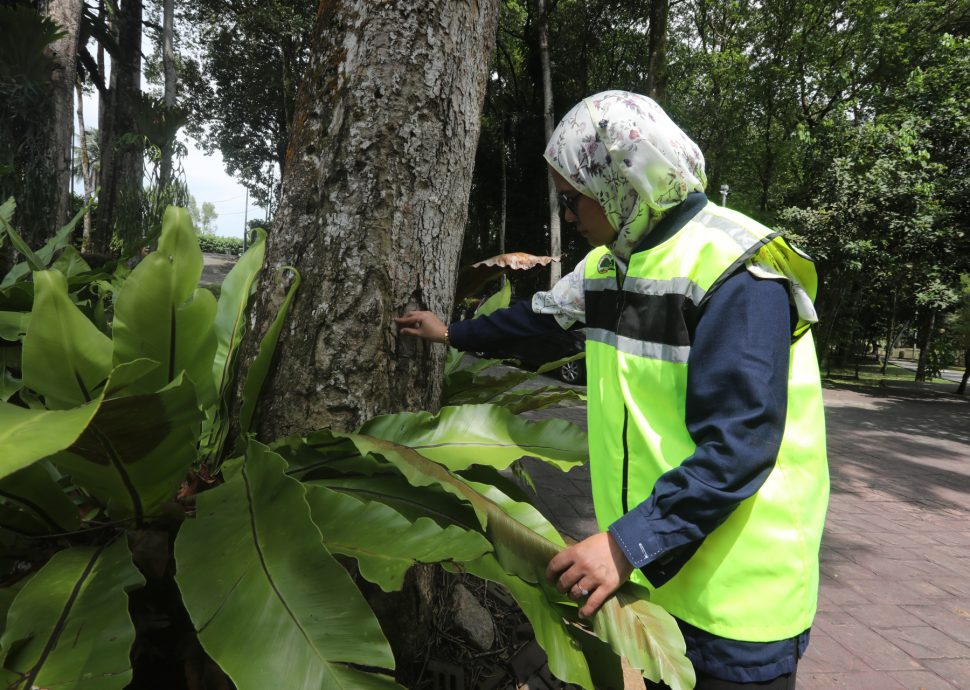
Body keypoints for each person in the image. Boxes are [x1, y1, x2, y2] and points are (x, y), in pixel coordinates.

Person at [396, 90, 828, 690]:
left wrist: (625, 546)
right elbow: (540, 323)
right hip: (664, 569)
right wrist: (451, 334)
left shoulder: (734, 269)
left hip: (739, 594)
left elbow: (741, 445)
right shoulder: (613, 265)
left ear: (623, 181)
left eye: (572, 200)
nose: (570, 217)